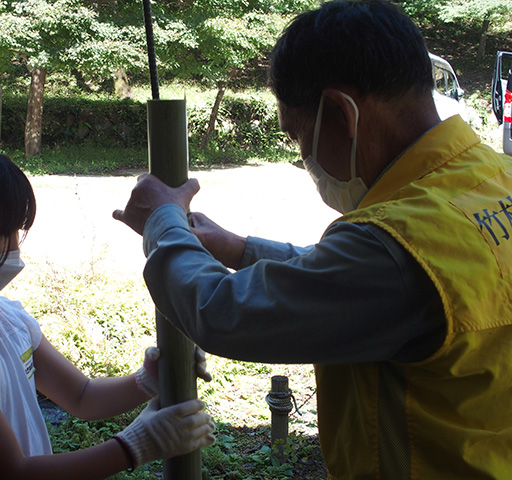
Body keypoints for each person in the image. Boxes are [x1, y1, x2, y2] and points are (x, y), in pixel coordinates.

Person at [113, 1, 512, 478]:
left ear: (342, 114)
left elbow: (222, 311)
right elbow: (367, 283)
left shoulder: (396, 246)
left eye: (299, 135)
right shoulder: (491, 180)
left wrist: (163, 221)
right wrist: (241, 250)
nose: (305, 155)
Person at [0, 139, 215, 480]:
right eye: (2, 232)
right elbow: (15, 473)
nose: (14, 247)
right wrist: (136, 446)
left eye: (17, 231)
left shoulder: (0, 315)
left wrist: (146, 381)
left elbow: (82, 396)